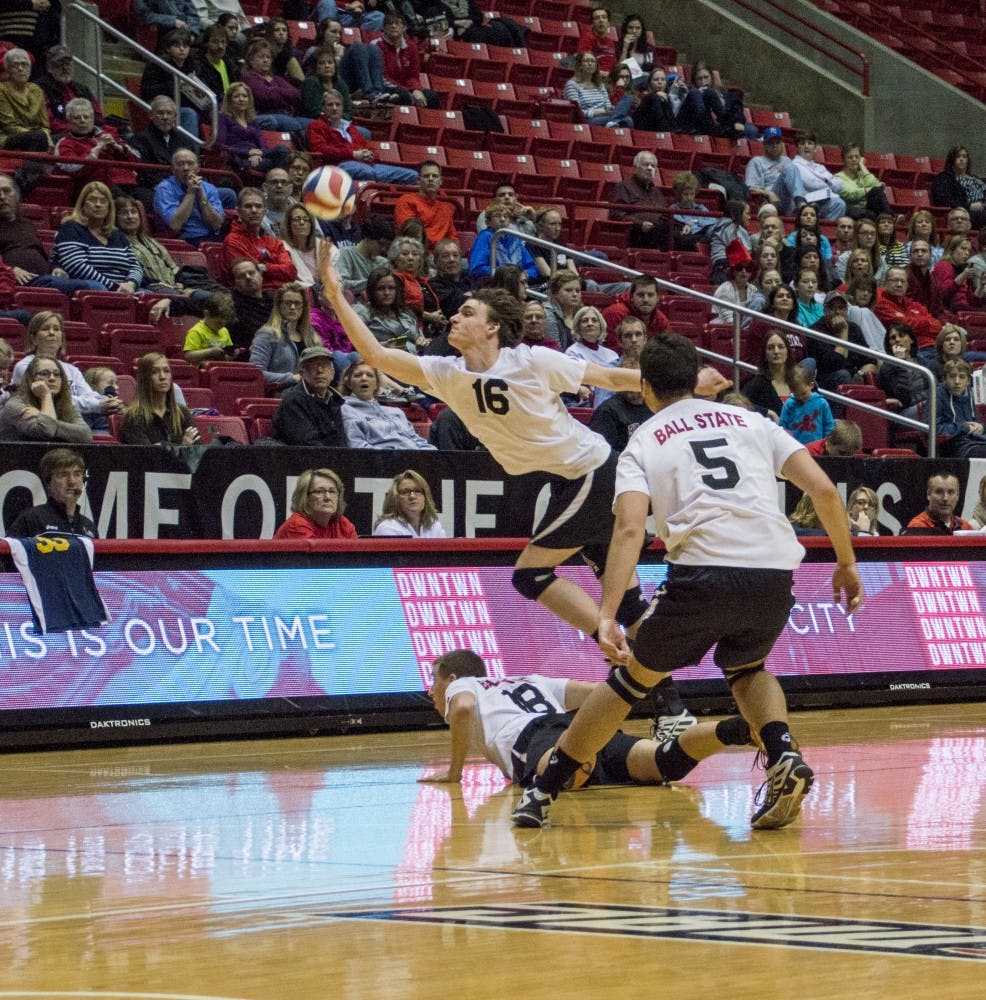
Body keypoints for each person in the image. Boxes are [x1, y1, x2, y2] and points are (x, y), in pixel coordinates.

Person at [511, 332, 863, 830]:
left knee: (629, 681)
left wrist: (607, 614)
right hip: (773, 573)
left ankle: (543, 789)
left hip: (703, 572)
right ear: (695, 376)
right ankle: (783, 751)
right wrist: (846, 563)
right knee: (747, 668)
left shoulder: (642, 440)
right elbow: (824, 490)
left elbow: (628, 529)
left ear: (645, 387)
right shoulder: (753, 422)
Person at [321, 247, 652, 646]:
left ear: (493, 327)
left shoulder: (532, 361)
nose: (455, 318)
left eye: (467, 313)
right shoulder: (447, 373)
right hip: (570, 479)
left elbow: (611, 378)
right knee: (630, 603)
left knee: (530, 574)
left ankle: (606, 638)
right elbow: (375, 355)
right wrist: (336, 295)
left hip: (592, 471)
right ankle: (657, 682)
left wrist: (682, 386)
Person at [422, 648, 753, 789]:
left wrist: (454, 773)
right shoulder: (530, 679)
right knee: (662, 762)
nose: (430, 691)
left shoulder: (463, 685)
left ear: (451, 679)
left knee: (558, 775)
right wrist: (627, 673)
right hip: (579, 726)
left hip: (535, 736)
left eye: (434, 682)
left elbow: (462, 709)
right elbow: (600, 693)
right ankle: (733, 729)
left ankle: (575, 762)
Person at [9, 310, 120, 423]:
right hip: (41, 422)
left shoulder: (72, 369)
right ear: (33, 338)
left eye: (56, 329)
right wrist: (97, 405)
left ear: (62, 339)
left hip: (73, 421)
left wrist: (108, 401)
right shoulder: (25, 366)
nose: (52, 333)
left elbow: (89, 394)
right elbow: (53, 400)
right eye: (45, 329)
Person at [308, 89, 417, 184]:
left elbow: (367, 147)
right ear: (323, 108)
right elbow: (321, 150)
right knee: (366, 172)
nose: (334, 108)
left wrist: (370, 154)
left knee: (412, 175)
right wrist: (353, 154)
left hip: (367, 165)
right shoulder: (316, 125)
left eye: (338, 104)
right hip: (338, 166)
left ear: (342, 107)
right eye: (330, 105)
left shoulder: (350, 127)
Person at [52, 181, 142, 294]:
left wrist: (131, 283)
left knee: (149, 295)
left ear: (109, 207)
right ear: (82, 204)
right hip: (91, 287)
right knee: (98, 288)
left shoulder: (117, 234)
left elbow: (135, 265)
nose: (98, 204)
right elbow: (76, 266)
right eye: (92, 200)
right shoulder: (71, 228)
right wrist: (114, 287)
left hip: (124, 288)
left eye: (103, 201)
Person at [340, 361, 435, 451]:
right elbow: (358, 447)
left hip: (417, 458)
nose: (364, 378)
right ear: (348, 383)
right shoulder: (346, 410)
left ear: (376, 384)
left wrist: (433, 455)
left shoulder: (396, 412)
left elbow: (417, 440)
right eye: (358, 375)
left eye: (370, 375)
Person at [7, 447, 97, 538]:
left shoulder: (89, 527)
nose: (72, 481)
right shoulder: (31, 520)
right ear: (48, 482)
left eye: (77, 474)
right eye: (63, 475)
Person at [0, 356, 92, 444]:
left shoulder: (66, 405)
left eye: (57, 374)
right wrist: (46, 396)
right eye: (44, 373)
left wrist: (40, 416)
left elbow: (85, 435)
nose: (52, 378)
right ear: (31, 379)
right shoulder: (15, 405)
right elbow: (46, 430)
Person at [54, 97, 139, 191]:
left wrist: (117, 147)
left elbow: (137, 157)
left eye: (86, 117)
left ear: (93, 119)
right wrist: (96, 150)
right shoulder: (65, 143)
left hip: (129, 183)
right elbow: (71, 168)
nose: (82, 121)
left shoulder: (109, 134)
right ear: (69, 121)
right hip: (96, 188)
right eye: (77, 118)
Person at [140, 29, 210, 141]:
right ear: (168, 48)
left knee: (215, 114)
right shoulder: (157, 64)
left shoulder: (194, 65)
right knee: (189, 114)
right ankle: (191, 150)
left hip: (189, 104)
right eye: (177, 46)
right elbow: (146, 91)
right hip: (165, 106)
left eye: (185, 46)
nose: (182, 49)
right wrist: (176, 85)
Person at [222, 186, 297, 291]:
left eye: (258, 206)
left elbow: (291, 272)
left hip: (281, 294)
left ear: (264, 211)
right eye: (248, 206)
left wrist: (265, 268)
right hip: (255, 296)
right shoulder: (232, 241)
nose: (254, 210)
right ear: (238, 211)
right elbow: (251, 275)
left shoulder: (275, 242)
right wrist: (277, 270)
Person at [272, 344, 347, 447]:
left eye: (324, 365)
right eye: (313, 366)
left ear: (332, 373)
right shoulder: (293, 401)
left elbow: (341, 442)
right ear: (302, 373)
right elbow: (307, 445)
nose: (320, 371)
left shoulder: (335, 400)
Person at [119, 352, 199, 446]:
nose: (162, 377)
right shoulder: (133, 417)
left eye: (166, 371)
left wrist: (162, 446)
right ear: (144, 378)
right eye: (154, 372)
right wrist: (182, 447)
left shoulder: (183, 412)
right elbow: (148, 453)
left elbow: (199, 449)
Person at [217, 81, 292, 177]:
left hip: (257, 157)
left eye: (244, 96)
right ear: (229, 100)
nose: (241, 99)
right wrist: (248, 152)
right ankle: (275, 179)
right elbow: (221, 145)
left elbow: (263, 145)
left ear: (249, 100)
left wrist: (258, 153)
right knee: (276, 164)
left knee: (282, 150)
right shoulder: (223, 118)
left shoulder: (252, 121)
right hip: (239, 158)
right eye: (236, 96)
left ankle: (274, 178)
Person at [154, 147, 226, 245]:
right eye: (180, 164)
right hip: (181, 241)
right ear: (173, 170)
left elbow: (216, 224)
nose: (186, 168)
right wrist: (191, 193)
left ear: (198, 168)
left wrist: (201, 194)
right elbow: (175, 225)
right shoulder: (164, 189)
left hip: (211, 238)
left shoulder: (209, 188)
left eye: (190, 163)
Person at [241, 37, 312, 134]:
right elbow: (264, 96)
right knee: (293, 125)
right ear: (251, 61)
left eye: (268, 57)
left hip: (287, 114)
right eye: (261, 57)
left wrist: (274, 90)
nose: (265, 60)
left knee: (314, 124)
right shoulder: (249, 78)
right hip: (264, 115)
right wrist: (282, 94)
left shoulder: (277, 78)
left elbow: (296, 95)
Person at [808, 289, 873, 392]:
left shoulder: (854, 328)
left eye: (841, 308)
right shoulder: (815, 331)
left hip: (852, 378)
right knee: (843, 374)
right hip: (824, 380)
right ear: (825, 310)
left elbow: (871, 361)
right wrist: (843, 332)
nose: (837, 312)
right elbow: (835, 364)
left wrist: (860, 374)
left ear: (846, 310)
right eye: (832, 308)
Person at [370, 13, 440, 109]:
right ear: (384, 28)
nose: (393, 26)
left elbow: (413, 75)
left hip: (406, 88)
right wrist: (407, 91)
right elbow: (382, 77)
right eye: (389, 23)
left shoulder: (411, 47)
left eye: (397, 23)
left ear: (404, 27)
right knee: (402, 95)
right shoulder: (376, 45)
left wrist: (415, 90)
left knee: (432, 96)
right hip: (385, 87)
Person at [36, 44, 104, 139]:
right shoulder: (39, 88)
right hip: (59, 136)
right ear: (49, 68)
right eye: (59, 64)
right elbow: (47, 121)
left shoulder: (83, 89)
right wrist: (77, 129)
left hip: (87, 133)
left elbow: (98, 116)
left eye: (68, 64)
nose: (65, 68)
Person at [874, 266, 942, 358]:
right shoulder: (879, 301)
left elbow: (938, 327)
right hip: (913, 351)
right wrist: (926, 322)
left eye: (903, 281)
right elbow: (903, 327)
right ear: (885, 283)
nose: (899, 284)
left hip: (935, 347)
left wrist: (908, 320)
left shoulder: (914, 304)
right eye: (895, 280)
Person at [674, 60, 752, 140]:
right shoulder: (688, 91)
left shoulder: (724, 94)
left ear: (711, 77)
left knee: (710, 92)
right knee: (695, 93)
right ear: (694, 81)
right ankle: (717, 128)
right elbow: (677, 111)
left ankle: (724, 127)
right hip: (691, 125)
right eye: (699, 79)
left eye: (706, 77)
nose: (704, 82)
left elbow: (737, 110)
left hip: (717, 125)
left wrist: (738, 122)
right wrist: (697, 93)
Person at [273, 467, 358, 540]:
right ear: (305, 497)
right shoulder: (297, 525)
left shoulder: (343, 524)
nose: (327, 497)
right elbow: (319, 555)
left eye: (332, 491)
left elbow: (358, 553)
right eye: (319, 491)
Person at [588, 356, 650, 452]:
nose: (630, 386)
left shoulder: (654, 407)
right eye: (626, 381)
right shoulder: (607, 411)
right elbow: (600, 453)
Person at [468, 201, 541, 281]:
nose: (502, 219)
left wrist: (524, 274)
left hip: (518, 283)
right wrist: (505, 274)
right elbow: (477, 269)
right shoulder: (485, 236)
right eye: (497, 216)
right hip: (495, 284)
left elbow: (532, 267)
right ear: (488, 222)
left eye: (506, 216)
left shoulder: (514, 237)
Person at [609, 150, 668, 249]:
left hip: (658, 232)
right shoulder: (624, 187)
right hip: (635, 233)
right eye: (646, 165)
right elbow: (617, 214)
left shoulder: (657, 192)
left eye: (653, 166)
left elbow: (665, 214)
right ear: (635, 168)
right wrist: (640, 224)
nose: (650, 168)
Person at [394, 161, 458, 248]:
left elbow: (453, 238)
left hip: (440, 253)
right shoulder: (406, 201)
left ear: (440, 181)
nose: (431, 179)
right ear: (418, 181)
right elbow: (410, 234)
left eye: (435, 176)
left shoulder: (445, 208)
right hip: (415, 251)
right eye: (426, 176)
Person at [356, 266, 422, 351]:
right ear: (372, 291)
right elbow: (355, 342)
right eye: (381, 288)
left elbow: (419, 335)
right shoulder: (363, 313)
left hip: (418, 354)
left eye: (391, 288)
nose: (387, 293)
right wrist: (383, 346)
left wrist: (421, 340)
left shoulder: (405, 312)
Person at [744, 127, 806, 216]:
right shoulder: (756, 162)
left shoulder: (787, 160)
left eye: (777, 142)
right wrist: (769, 194)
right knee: (790, 168)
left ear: (782, 144)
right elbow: (750, 188)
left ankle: (801, 206)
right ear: (764, 145)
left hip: (788, 200)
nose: (774, 146)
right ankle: (801, 205)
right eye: (771, 143)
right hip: (769, 200)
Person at [0, 47, 51, 152]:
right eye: (15, 65)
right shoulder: (2, 90)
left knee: (63, 138)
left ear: (30, 69)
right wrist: (38, 135)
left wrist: (46, 135)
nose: (20, 69)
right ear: (7, 70)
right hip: (8, 136)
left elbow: (45, 125)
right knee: (37, 137)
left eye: (24, 64)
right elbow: (9, 126)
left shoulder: (37, 90)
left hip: (38, 137)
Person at [563, 52, 633, 128]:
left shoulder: (600, 84)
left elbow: (607, 105)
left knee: (628, 98)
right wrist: (600, 112)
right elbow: (577, 113)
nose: (590, 64)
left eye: (593, 61)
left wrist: (610, 108)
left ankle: (612, 122)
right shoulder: (572, 84)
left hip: (605, 116)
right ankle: (613, 121)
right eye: (586, 61)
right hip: (588, 120)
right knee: (627, 120)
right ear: (579, 65)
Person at [602, 274, 670, 349]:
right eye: (641, 295)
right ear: (631, 297)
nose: (646, 300)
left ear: (657, 298)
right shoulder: (615, 314)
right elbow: (613, 350)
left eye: (650, 295)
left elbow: (667, 349)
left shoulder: (661, 320)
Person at [791, 130, 846, 221]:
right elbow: (812, 184)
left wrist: (828, 183)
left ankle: (822, 228)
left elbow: (840, 185)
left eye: (810, 143)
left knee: (840, 204)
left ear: (815, 148)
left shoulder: (820, 167)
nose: (806, 146)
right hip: (806, 202)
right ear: (797, 147)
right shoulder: (794, 165)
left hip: (823, 201)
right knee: (838, 203)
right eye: (802, 143)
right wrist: (829, 182)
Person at [936, 358, 986, 458]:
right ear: (944, 379)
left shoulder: (973, 395)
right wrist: (963, 427)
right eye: (952, 376)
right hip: (954, 445)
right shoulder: (937, 395)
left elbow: (979, 424)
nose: (957, 381)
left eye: (962, 377)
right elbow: (934, 429)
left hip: (977, 441)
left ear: (968, 381)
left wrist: (982, 427)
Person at [372, 469, 446, 537]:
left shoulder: (434, 526)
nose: (412, 496)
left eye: (417, 491)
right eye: (405, 492)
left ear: (425, 497)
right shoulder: (387, 528)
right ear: (395, 498)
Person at [742, 330, 795, 421]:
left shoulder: (801, 380)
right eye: (770, 348)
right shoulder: (756, 385)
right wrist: (766, 412)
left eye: (781, 347)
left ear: (788, 352)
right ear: (765, 354)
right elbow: (740, 405)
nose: (776, 351)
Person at [931, 145, 986, 230]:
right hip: (962, 212)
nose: (961, 159)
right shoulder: (943, 179)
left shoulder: (976, 180)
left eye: (964, 157)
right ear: (951, 160)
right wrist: (969, 206)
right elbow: (943, 201)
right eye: (958, 156)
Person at [335, 214, 392, 294]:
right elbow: (342, 284)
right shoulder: (345, 254)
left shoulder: (383, 263)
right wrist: (373, 283)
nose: (383, 249)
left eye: (387, 246)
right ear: (367, 237)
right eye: (381, 244)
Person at [779, 362, 834, 446]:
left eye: (803, 393)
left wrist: (826, 444)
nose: (800, 397)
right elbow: (783, 425)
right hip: (795, 447)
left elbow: (829, 426)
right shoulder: (789, 403)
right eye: (796, 395)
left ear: (811, 385)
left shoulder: (822, 403)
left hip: (817, 448)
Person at [903, 471, 972, 535]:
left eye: (950, 492)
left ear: (958, 496)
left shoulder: (965, 527)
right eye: (939, 492)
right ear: (928, 494)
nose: (945, 498)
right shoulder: (917, 527)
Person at [834, 142, 890, 220]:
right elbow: (852, 194)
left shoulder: (863, 174)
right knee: (870, 213)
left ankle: (888, 218)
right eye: (850, 157)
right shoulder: (837, 178)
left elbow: (877, 187)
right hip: (851, 211)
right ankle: (888, 218)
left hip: (867, 210)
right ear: (843, 160)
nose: (854, 159)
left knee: (877, 193)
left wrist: (862, 166)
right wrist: (870, 189)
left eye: (857, 157)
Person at [183, 290, 237, 365]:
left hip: (220, 369)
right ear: (206, 314)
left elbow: (226, 359)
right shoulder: (196, 331)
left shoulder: (224, 331)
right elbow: (188, 356)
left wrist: (233, 354)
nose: (222, 326)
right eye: (218, 323)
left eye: (225, 323)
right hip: (201, 370)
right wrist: (211, 352)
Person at [278, 203, 324, 289]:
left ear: (311, 224)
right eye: (297, 219)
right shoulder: (281, 248)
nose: (302, 223)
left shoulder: (323, 247)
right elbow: (287, 280)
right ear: (288, 224)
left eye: (306, 219)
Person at [932, 235, 982, 313]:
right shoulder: (943, 266)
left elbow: (971, 301)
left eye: (968, 250)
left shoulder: (964, 269)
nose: (967, 253)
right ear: (952, 249)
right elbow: (943, 294)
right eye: (963, 249)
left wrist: (981, 286)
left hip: (964, 309)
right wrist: (962, 276)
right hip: (950, 310)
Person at [576, 6, 618, 72]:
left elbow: (615, 65)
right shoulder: (586, 39)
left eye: (604, 17)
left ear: (608, 23)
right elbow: (586, 67)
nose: (601, 20)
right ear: (592, 24)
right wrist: (605, 74)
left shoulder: (610, 42)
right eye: (597, 18)